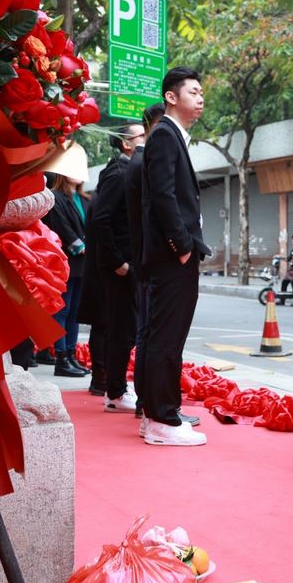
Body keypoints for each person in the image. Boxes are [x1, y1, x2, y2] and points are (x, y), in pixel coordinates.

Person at [140, 67, 211, 446]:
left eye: (202, 92)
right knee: (167, 337)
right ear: (171, 97)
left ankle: (156, 414)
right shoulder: (166, 135)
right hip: (173, 257)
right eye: (194, 91)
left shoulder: (171, 136)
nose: (201, 98)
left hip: (172, 255)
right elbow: (163, 197)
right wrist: (181, 246)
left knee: (160, 336)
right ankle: (162, 421)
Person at [88, 123, 146, 414]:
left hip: (126, 264)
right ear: (126, 144)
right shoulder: (118, 173)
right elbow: (102, 220)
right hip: (119, 267)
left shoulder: (128, 172)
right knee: (120, 330)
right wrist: (118, 262)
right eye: (142, 136)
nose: (147, 140)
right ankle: (115, 391)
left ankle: (117, 387)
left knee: (125, 329)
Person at [125, 102, 167, 419]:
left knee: (148, 331)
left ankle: (147, 403)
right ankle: (149, 404)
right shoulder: (146, 161)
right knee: (150, 332)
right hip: (150, 259)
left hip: (145, 258)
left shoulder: (144, 160)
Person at [43, 170, 90, 378]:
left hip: (85, 264)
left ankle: (71, 355)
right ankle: (61, 357)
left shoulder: (85, 199)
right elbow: (61, 228)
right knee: (63, 309)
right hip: (67, 261)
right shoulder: (55, 197)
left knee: (76, 311)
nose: (78, 173)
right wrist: (82, 247)